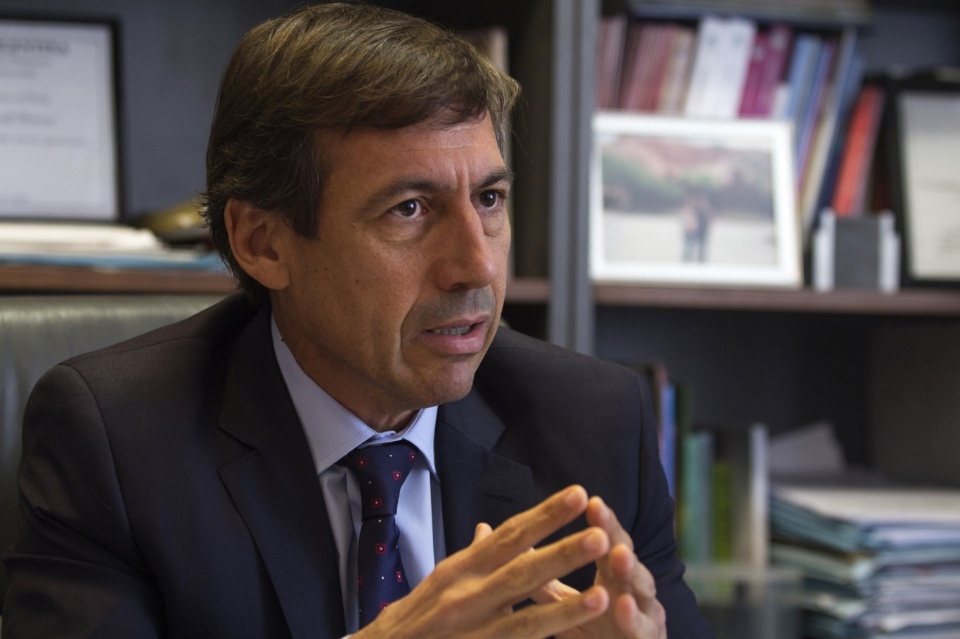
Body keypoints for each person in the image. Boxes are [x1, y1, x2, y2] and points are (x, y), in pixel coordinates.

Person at [2, 4, 713, 638]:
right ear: (262, 242)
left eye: (489, 199)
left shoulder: (594, 421)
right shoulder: (117, 443)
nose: (476, 266)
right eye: (410, 209)